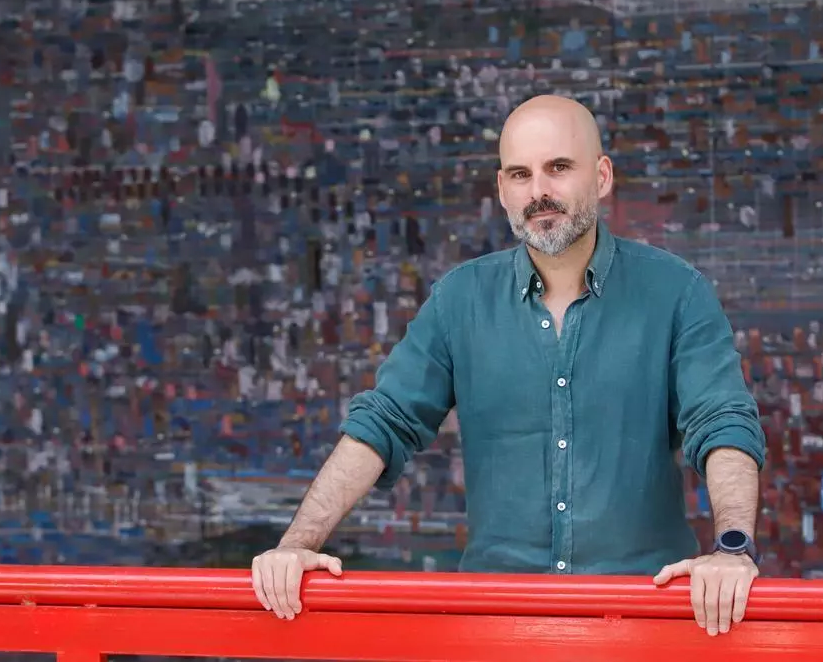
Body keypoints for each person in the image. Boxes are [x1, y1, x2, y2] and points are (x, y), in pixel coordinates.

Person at [251, 94, 766, 637]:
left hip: (643, 625)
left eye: (558, 168)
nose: (538, 191)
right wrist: (297, 544)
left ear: (602, 176)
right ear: (502, 189)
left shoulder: (676, 291)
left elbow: (722, 421)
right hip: (497, 628)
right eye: (520, 174)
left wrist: (732, 549)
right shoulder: (459, 299)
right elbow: (384, 422)